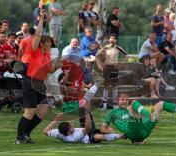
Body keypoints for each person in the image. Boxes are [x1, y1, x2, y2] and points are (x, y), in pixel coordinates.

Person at [15, 9, 59, 144]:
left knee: (42, 112)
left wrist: (59, 66)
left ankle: (26, 133)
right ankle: (19, 137)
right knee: (29, 112)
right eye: (49, 42)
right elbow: (38, 34)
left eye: (51, 43)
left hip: (40, 84)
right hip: (30, 83)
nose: (51, 44)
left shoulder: (47, 55)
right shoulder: (35, 52)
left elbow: (50, 71)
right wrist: (41, 18)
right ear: (42, 43)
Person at [100, 93, 176, 144]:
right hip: (131, 131)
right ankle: (148, 114)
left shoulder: (129, 109)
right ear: (117, 100)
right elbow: (102, 128)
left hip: (144, 130)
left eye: (126, 100)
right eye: (122, 99)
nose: (125, 101)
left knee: (161, 104)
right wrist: (114, 133)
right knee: (133, 103)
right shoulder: (112, 113)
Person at [43, 100, 123, 144]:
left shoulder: (59, 133)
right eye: (70, 127)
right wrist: (86, 112)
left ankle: (83, 101)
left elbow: (45, 131)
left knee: (82, 108)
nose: (72, 125)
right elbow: (88, 127)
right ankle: (121, 136)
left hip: (84, 129)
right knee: (98, 137)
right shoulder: (73, 138)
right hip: (87, 136)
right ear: (68, 133)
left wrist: (56, 120)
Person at [96, 33, 128, 109]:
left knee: (115, 87)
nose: (112, 40)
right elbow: (97, 55)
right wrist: (101, 64)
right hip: (107, 68)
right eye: (111, 38)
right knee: (106, 87)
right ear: (108, 39)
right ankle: (104, 105)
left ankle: (115, 105)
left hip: (114, 68)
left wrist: (121, 64)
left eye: (114, 38)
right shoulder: (105, 47)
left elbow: (126, 55)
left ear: (116, 40)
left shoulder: (118, 48)